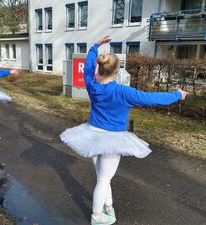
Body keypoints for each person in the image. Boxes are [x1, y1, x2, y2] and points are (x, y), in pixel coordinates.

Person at [60, 36, 189, 225]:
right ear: (116, 71)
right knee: (104, 179)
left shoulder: (91, 84)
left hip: (92, 135)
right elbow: (151, 98)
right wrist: (177, 94)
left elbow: (88, 67)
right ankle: (96, 217)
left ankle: (109, 206)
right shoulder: (123, 92)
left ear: (99, 69)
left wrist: (95, 46)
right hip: (112, 138)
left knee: (103, 177)